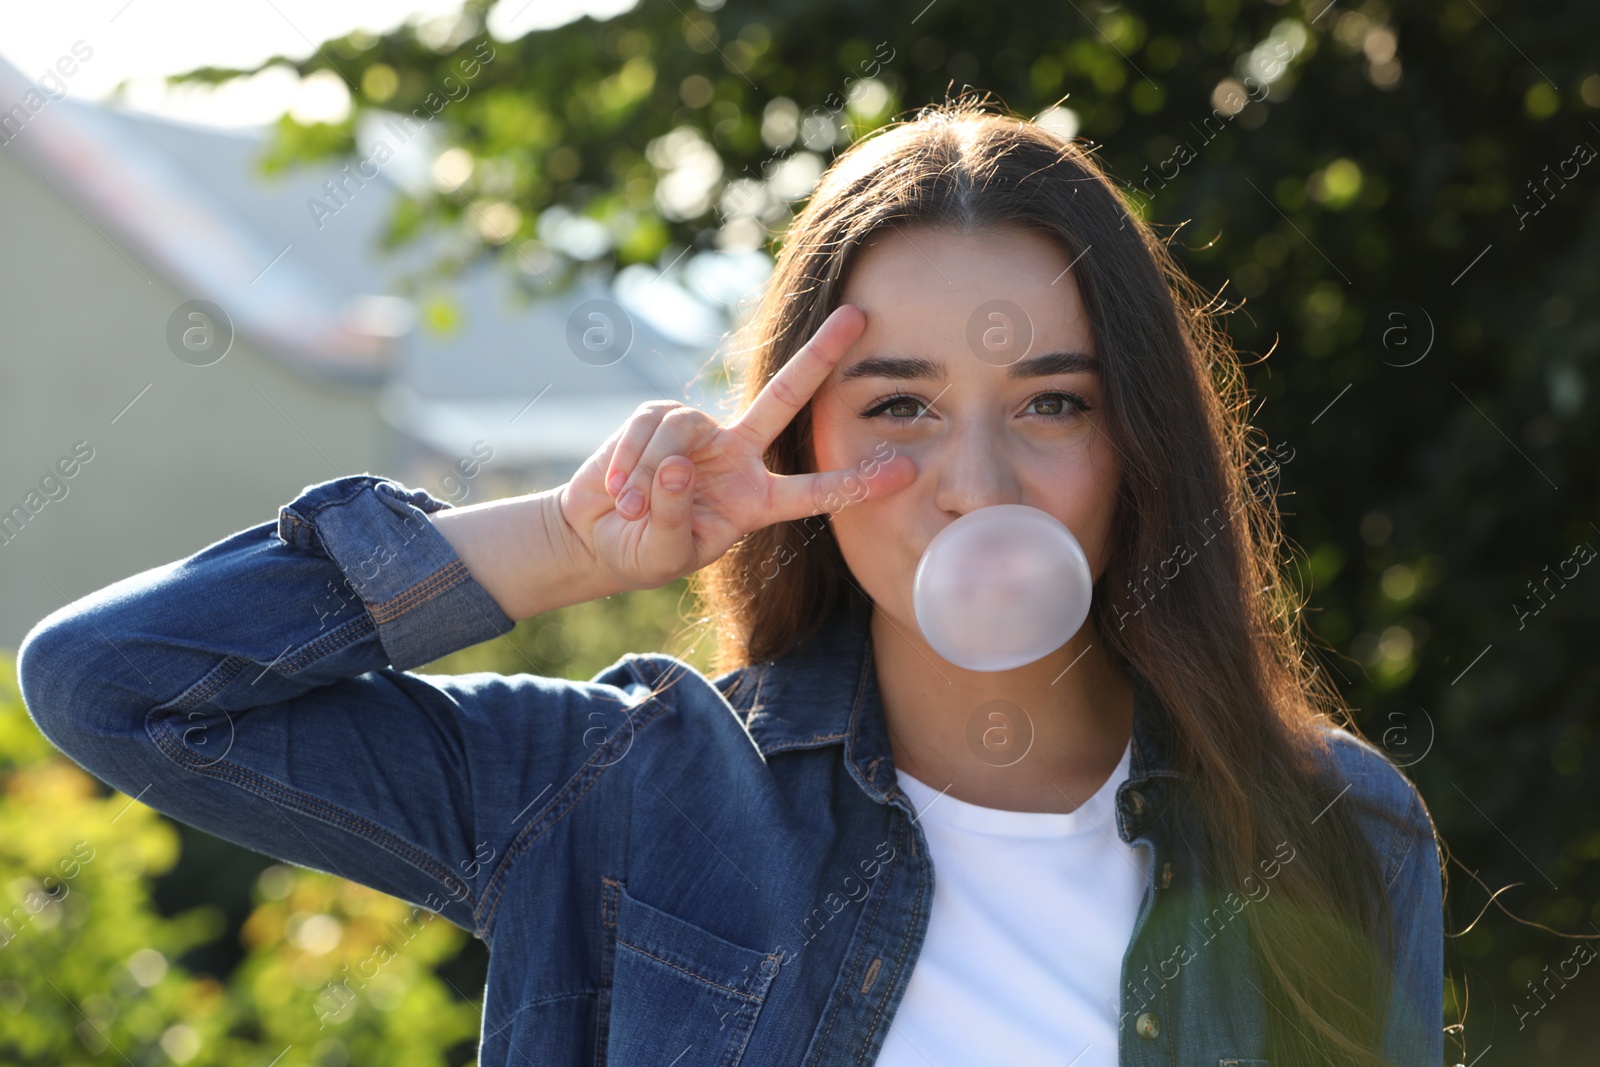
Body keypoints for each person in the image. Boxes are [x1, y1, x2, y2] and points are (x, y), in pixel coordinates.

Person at [17, 97, 1443, 1067]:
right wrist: (578, 545)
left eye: (1052, 402)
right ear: (798, 434)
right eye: (900, 407)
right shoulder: (623, 792)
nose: (979, 481)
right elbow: (121, 690)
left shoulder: (1344, 830)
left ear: (1139, 440)